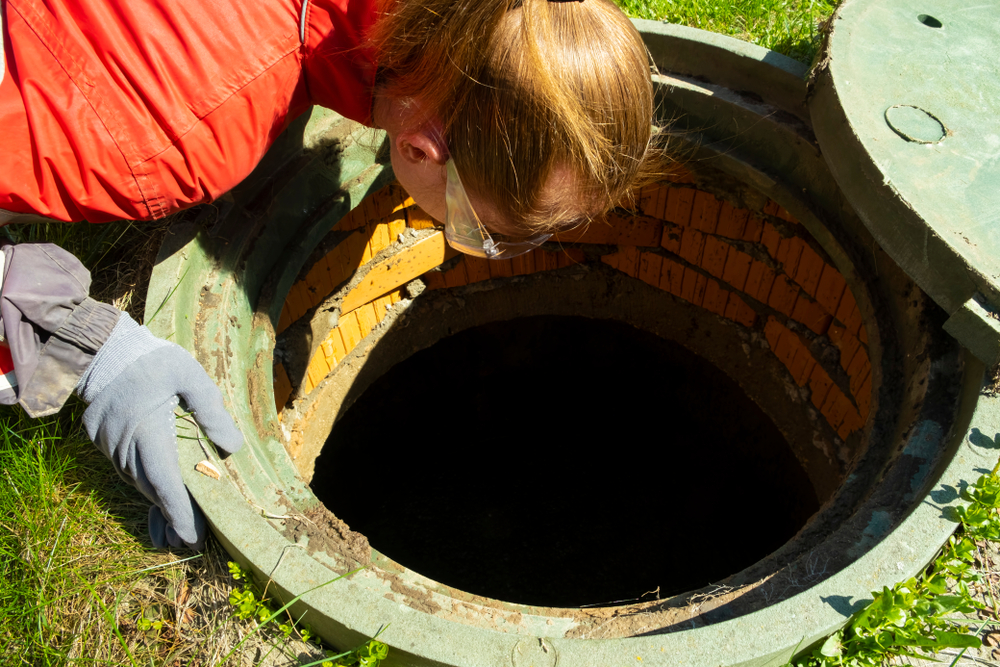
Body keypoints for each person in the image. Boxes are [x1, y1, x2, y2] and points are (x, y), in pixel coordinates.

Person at [0, 0, 658, 549]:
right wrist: (79, 337)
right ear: (419, 147)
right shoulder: (161, 135)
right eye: (483, 232)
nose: (475, 248)